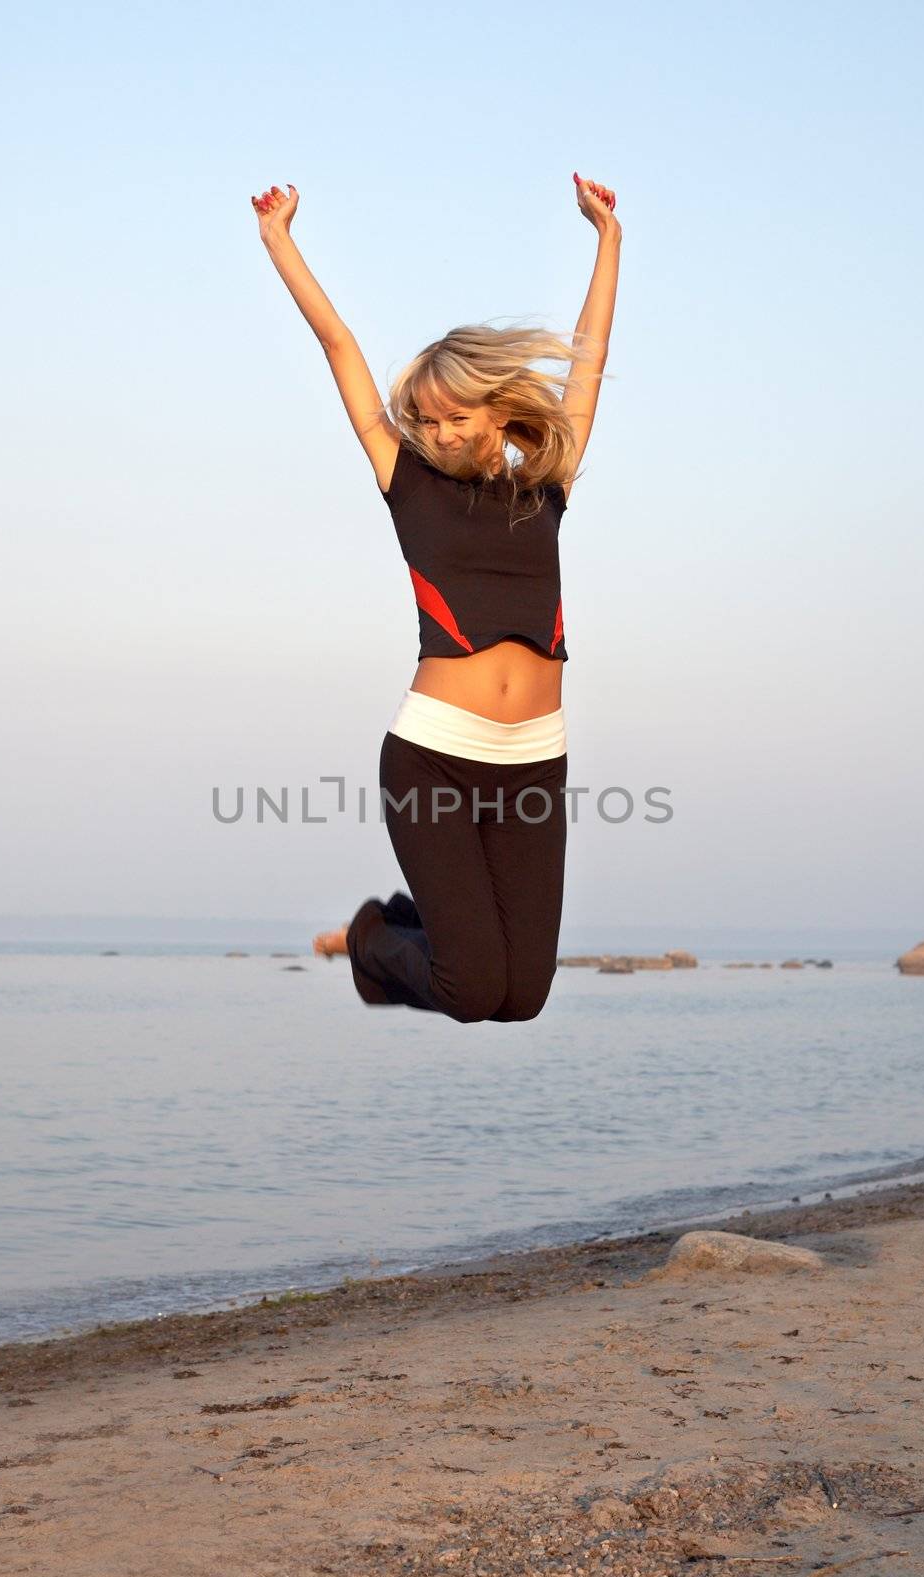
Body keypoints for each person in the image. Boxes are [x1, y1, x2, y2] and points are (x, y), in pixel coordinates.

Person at [250, 173, 621, 1022]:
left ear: (496, 411)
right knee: (467, 990)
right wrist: (280, 242)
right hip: (434, 757)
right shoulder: (406, 482)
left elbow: (588, 363)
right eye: (427, 420)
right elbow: (341, 347)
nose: (442, 432)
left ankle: (423, 924)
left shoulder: (546, 485)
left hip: (534, 757)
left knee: (521, 997)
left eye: (457, 417)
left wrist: (607, 242)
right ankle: (374, 934)